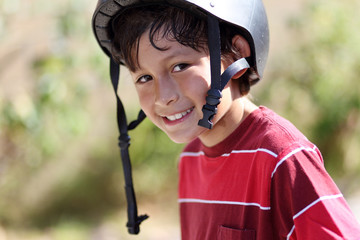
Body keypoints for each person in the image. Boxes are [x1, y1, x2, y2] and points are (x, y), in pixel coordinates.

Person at [92, 0, 360, 239]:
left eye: (180, 66)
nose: (163, 98)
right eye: (144, 78)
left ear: (237, 53)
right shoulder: (190, 159)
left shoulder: (281, 157)